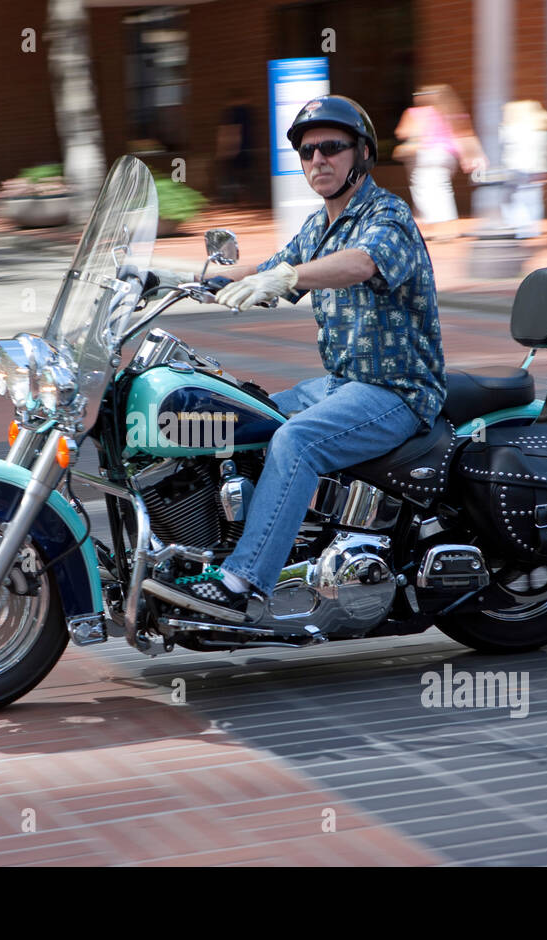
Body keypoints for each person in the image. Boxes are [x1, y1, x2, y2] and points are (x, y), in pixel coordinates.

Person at [143, 94, 447, 624]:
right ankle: (227, 550)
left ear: (362, 154)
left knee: (296, 440)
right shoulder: (319, 225)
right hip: (342, 383)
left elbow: (360, 263)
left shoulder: (388, 215)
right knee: (242, 417)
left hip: (397, 390)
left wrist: (288, 278)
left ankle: (241, 585)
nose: (318, 160)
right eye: (307, 152)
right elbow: (267, 267)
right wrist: (173, 281)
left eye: (331, 147)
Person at [392, 84, 485, 241]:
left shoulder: (417, 113)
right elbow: (463, 135)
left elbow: (403, 132)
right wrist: (469, 156)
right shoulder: (450, 112)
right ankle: (446, 227)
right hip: (448, 157)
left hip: (427, 155)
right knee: (441, 190)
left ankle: (440, 228)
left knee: (425, 191)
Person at [499, 99, 547, 240]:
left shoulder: (509, 129)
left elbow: (501, 148)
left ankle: (517, 226)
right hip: (537, 169)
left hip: (514, 169)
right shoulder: (541, 130)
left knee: (513, 199)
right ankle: (531, 228)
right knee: (533, 200)